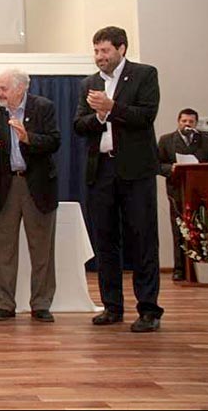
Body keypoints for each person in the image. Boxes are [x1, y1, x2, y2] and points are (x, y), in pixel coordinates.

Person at [74, 26, 164, 333]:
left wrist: (112, 108)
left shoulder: (144, 75)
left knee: (142, 239)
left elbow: (145, 116)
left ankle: (149, 309)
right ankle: (112, 306)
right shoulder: (89, 83)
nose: (99, 57)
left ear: (121, 49)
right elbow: (79, 124)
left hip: (135, 172)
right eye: (96, 51)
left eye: (105, 51)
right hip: (101, 171)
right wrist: (98, 117)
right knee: (106, 240)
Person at [0, 69, 60, 323]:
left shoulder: (43, 107)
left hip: (36, 185)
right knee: (3, 250)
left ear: (20, 88)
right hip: (5, 186)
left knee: (41, 250)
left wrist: (28, 138)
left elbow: (54, 141)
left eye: (3, 88)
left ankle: (41, 304)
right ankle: (4, 304)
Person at [158, 108, 208, 281]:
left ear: (196, 123)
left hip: (203, 191)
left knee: (203, 228)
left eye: (191, 122)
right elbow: (157, 164)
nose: (187, 125)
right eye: (184, 121)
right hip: (177, 191)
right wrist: (170, 168)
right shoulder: (166, 140)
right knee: (179, 229)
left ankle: (204, 266)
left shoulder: (207, 140)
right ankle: (180, 268)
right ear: (178, 122)